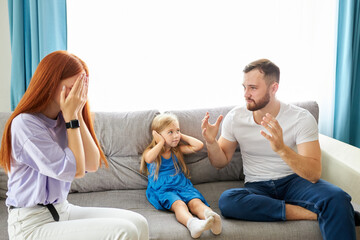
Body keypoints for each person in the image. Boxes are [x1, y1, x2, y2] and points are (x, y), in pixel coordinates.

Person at [201, 59, 360, 240]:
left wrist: (282, 149)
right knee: (228, 201)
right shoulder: (235, 117)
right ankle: (311, 213)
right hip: (257, 187)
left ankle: (325, 209)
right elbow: (220, 162)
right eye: (244, 87)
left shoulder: (301, 118)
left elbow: (314, 173)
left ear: (273, 88)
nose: (246, 94)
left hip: (294, 182)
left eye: (253, 88)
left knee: (337, 198)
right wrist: (211, 142)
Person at [0, 50, 149, 240]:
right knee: (124, 232)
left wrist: (75, 114)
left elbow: (92, 163)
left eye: (81, 90)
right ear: (50, 82)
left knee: (139, 223)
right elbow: (76, 170)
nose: (76, 96)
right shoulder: (25, 124)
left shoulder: (65, 119)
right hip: (30, 224)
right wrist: (71, 119)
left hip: (62, 209)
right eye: (72, 88)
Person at [140, 113, 222, 239]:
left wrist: (179, 135)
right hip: (163, 188)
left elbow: (198, 145)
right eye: (170, 132)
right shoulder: (152, 152)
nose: (176, 135)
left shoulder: (176, 151)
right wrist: (161, 142)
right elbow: (149, 159)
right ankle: (192, 224)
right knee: (179, 205)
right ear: (157, 134)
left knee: (196, 202)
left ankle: (211, 218)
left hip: (182, 185)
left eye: (177, 130)